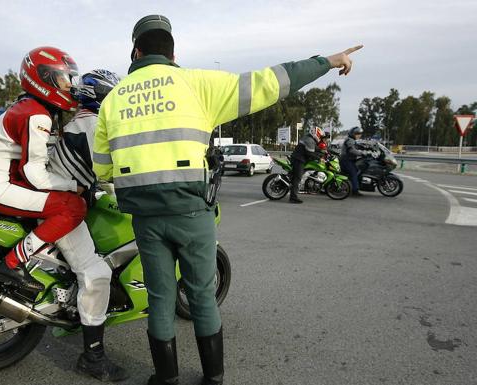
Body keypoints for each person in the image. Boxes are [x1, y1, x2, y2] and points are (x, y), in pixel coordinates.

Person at [93, 14, 362, 385]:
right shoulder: (196, 84)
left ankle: (166, 378)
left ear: (136, 51)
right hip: (191, 212)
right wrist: (326, 62)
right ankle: (213, 379)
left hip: (146, 218)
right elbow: (273, 82)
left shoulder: (113, 99)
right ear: (172, 53)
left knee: (159, 297)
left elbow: (103, 170)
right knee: (202, 295)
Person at [0, 48, 127, 382]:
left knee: (77, 207)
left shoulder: (47, 112)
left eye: (70, 80)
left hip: (1, 180)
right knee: (92, 262)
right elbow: (36, 173)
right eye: (62, 78)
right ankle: (92, 356)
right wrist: (73, 187)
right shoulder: (44, 115)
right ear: (42, 78)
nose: (69, 86)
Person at [289, 126, 326, 204]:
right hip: (299, 160)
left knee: (300, 174)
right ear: (315, 134)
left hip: (299, 158)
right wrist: (319, 158)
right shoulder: (309, 140)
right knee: (298, 177)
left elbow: (314, 148)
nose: (319, 137)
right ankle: (293, 197)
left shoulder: (309, 138)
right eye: (319, 135)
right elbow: (310, 153)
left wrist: (322, 151)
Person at [340, 126, 364, 196]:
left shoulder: (352, 140)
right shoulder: (349, 140)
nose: (359, 135)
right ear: (353, 134)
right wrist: (362, 153)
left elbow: (358, 146)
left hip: (350, 160)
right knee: (353, 173)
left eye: (360, 134)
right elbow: (352, 150)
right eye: (357, 134)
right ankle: (355, 190)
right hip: (346, 160)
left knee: (357, 170)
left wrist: (367, 147)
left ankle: (353, 186)